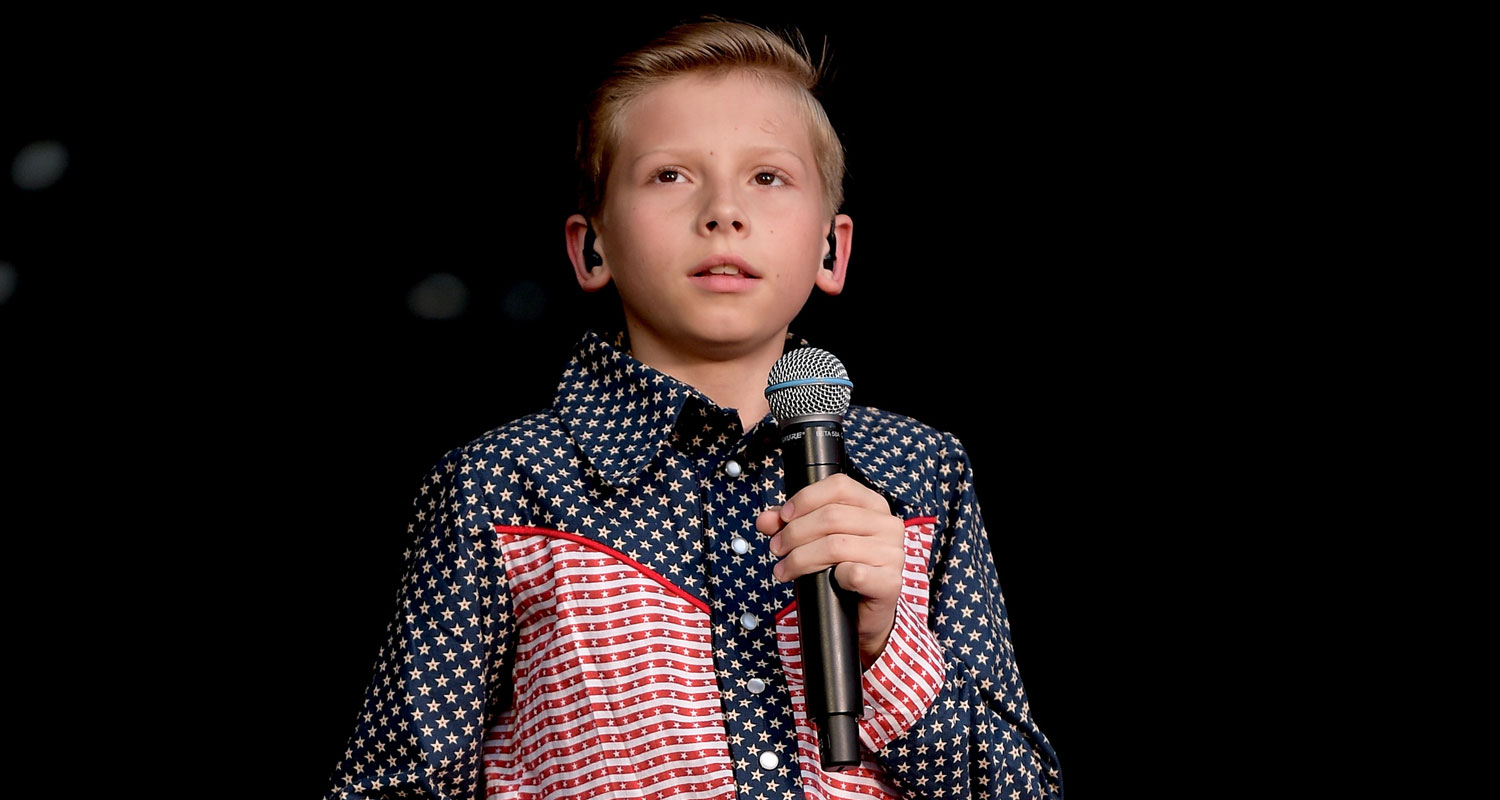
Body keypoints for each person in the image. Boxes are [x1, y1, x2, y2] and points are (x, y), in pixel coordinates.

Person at [325, 19, 1061, 800]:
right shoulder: (500, 486)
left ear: (832, 249)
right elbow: (395, 784)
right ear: (591, 248)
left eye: (768, 179)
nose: (723, 212)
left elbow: (1018, 787)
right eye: (671, 176)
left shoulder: (919, 473)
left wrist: (885, 647)